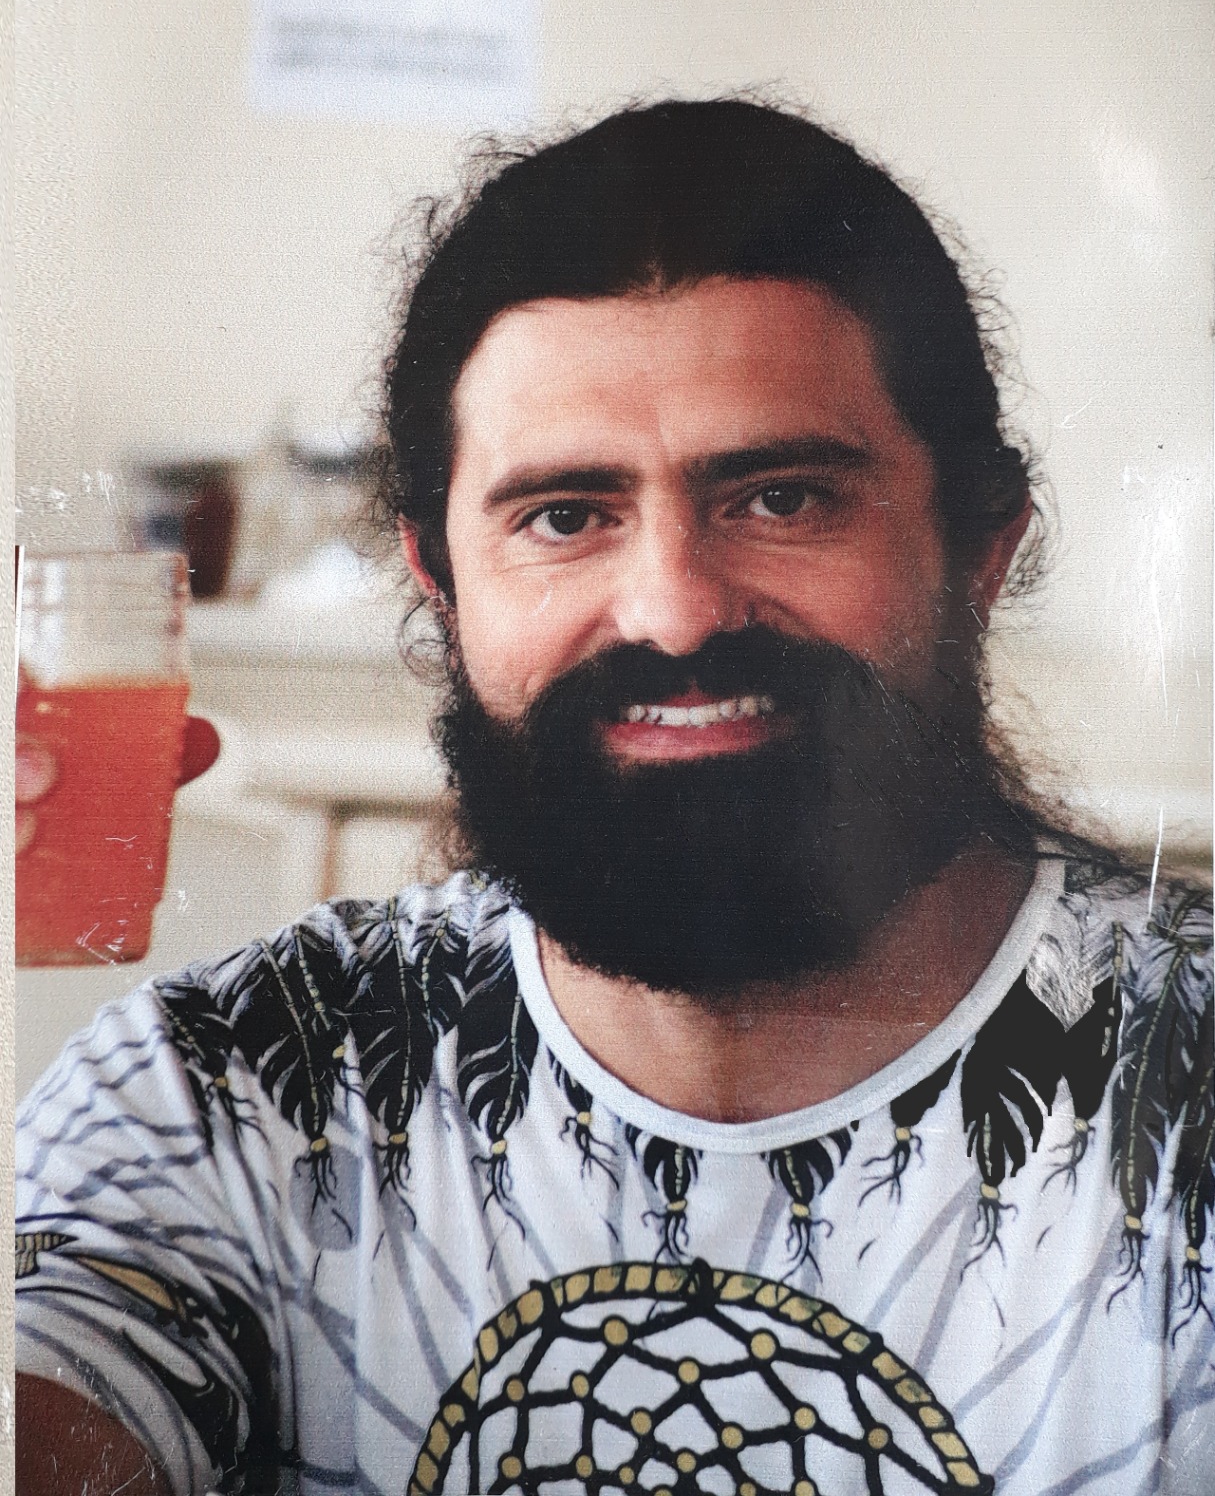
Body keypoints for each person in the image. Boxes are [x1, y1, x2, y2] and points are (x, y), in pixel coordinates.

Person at [15, 98, 1213, 1496]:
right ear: (440, 585)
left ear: (981, 546)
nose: (675, 610)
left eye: (783, 499)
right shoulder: (226, 1090)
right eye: (566, 517)